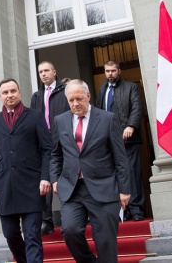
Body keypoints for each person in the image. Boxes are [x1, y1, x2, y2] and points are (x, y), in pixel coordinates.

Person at [50, 80, 130, 263]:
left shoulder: (108, 118)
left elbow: (120, 158)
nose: (75, 104)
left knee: (105, 241)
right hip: (72, 189)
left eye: (79, 98)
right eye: (71, 100)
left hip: (103, 188)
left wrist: (124, 189)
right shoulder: (60, 121)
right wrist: (55, 179)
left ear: (88, 96)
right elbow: (55, 154)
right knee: (70, 231)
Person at [0, 78, 52, 263]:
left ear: (20, 93)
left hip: (32, 186)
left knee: (32, 236)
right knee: (10, 234)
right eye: (5, 92)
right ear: (0, 96)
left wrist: (45, 177)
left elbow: (47, 149)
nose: (10, 95)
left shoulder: (35, 116)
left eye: (13, 91)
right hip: (5, 187)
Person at [95, 60, 146, 221]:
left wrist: (131, 126)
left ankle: (136, 208)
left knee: (131, 174)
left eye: (113, 71)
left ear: (119, 71)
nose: (110, 74)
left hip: (128, 139)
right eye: (107, 71)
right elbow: (99, 113)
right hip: (109, 141)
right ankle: (123, 211)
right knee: (114, 176)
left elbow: (138, 108)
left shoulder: (130, 87)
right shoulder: (102, 91)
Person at [30, 60, 69, 235]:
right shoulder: (36, 97)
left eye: (46, 71)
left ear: (54, 72)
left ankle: (69, 216)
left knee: (65, 179)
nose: (43, 74)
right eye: (40, 72)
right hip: (42, 145)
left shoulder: (65, 91)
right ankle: (47, 221)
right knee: (44, 181)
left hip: (62, 142)